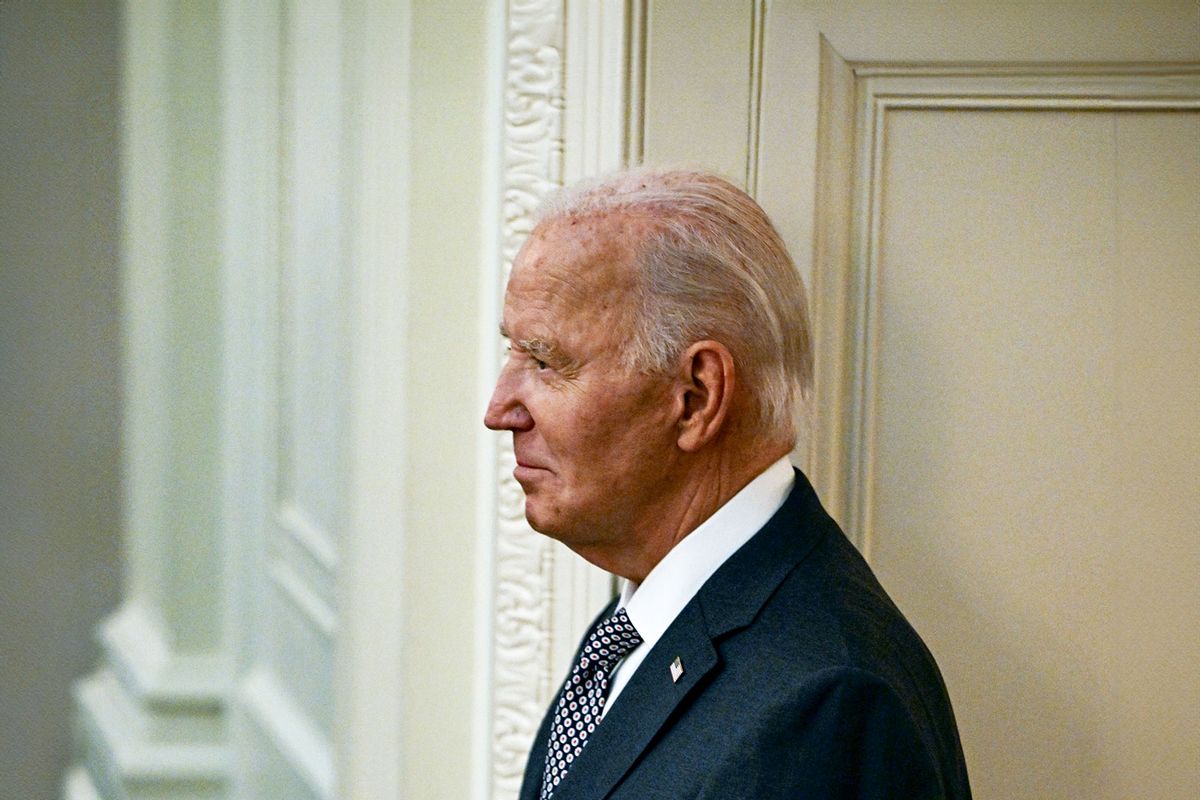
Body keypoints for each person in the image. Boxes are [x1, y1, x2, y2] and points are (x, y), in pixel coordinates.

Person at [484, 168, 971, 799]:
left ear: (695, 397)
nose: (500, 410)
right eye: (514, 354)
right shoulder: (649, 614)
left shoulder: (826, 706)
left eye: (547, 362)